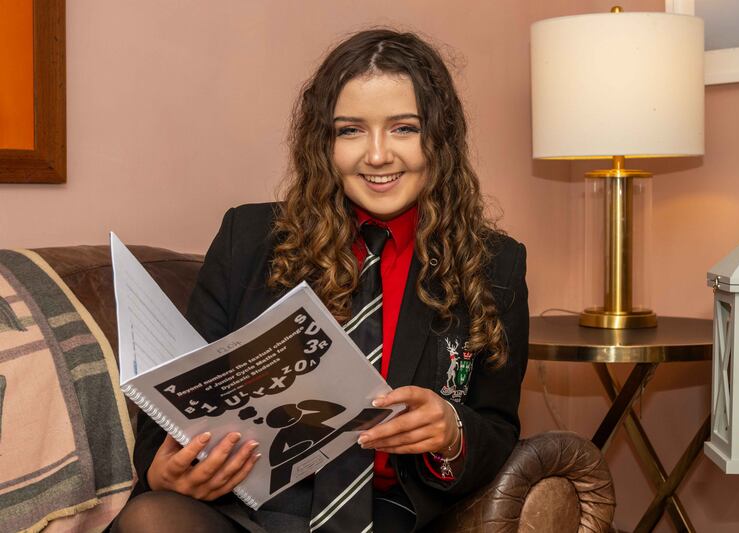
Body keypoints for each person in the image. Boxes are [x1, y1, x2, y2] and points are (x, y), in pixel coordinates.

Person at [112, 28, 528, 533]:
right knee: (152, 519)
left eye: (404, 128)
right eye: (350, 131)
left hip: (391, 518)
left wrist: (452, 432)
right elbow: (174, 401)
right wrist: (165, 470)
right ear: (323, 143)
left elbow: (497, 425)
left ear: (439, 138)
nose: (377, 156)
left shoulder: (494, 263)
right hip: (252, 516)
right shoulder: (248, 238)